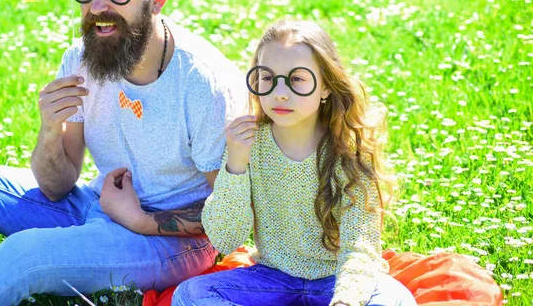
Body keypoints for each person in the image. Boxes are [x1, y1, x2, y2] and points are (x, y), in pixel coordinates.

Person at [0, 0, 245, 305]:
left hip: (164, 244)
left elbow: (233, 218)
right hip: (96, 204)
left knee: (22, 256)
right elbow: (56, 186)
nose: (97, 6)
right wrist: (50, 130)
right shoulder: (83, 59)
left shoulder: (203, 83)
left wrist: (140, 220)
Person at [172, 20, 417, 306]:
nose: (280, 93)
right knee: (190, 296)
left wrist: (346, 301)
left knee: (397, 299)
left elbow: (360, 247)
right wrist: (236, 165)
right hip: (271, 278)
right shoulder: (250, 144)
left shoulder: (348, 152)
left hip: (335, 279)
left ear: (326, 86)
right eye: (268, 78)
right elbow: (225, 239)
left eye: (297, 79)